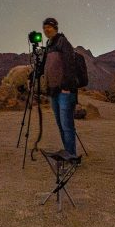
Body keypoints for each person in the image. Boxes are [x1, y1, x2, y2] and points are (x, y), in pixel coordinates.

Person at [42, 17, 79, 161]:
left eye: (49, 27)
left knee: (67, 125)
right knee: (60, 124)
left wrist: (66, 87)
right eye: (44, 27)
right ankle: (67, 153)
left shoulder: (63, 42)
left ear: (55, 27)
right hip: (53, 91)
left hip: (65, 91)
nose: (46, 29)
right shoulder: (49, 45)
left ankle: (72, 155)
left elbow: (70, 64)